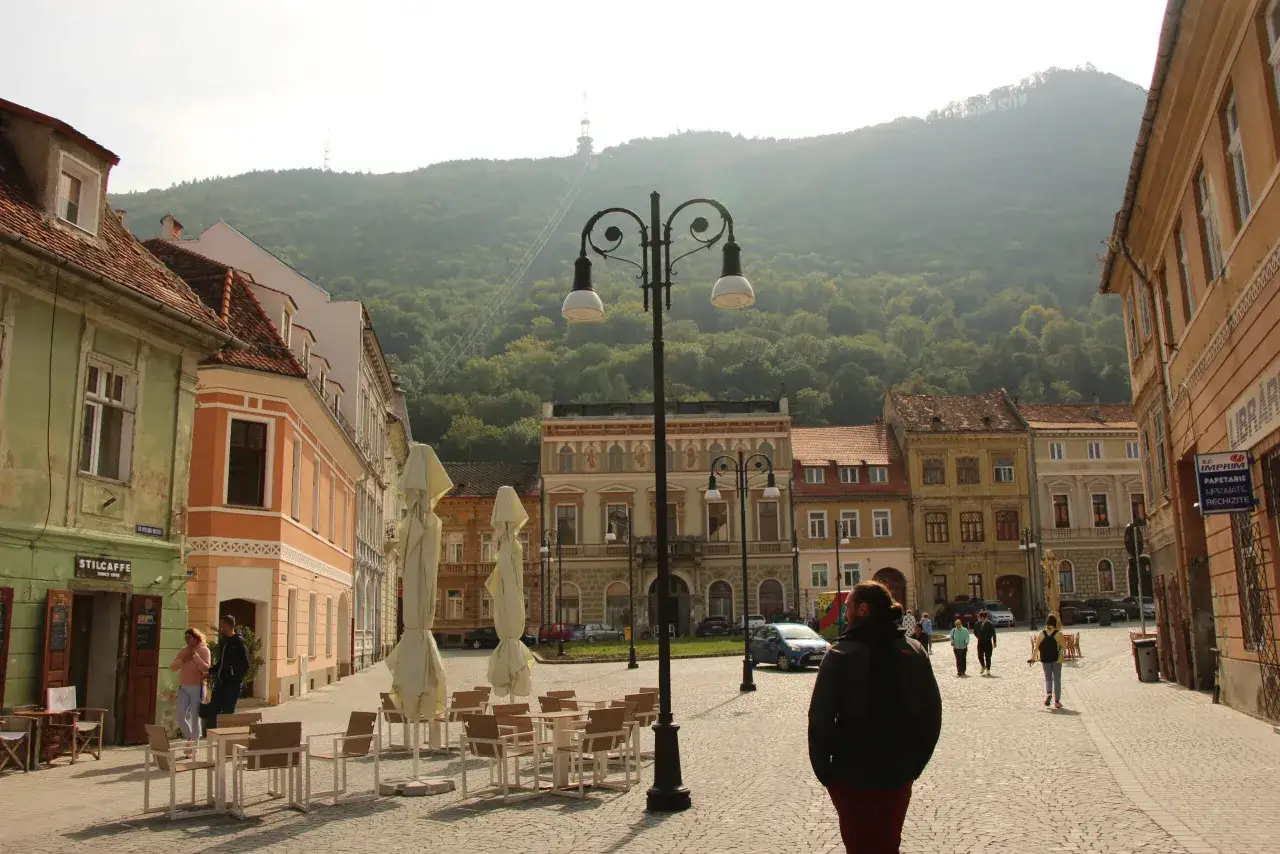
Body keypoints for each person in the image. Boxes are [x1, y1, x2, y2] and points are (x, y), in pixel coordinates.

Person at [808, 581, 942, 854]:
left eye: (848, 607)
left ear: (863, 608)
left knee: (858, 846)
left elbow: (819, 720)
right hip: (898, 771)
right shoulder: (914, 651)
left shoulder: (840, 655)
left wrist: (827, 775)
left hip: (851, 773)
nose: (845, 614)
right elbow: (932, 715)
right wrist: (913, 765)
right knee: (889, 844)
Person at [200, 615, 251, 735]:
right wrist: (211, 672)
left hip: (232, 684)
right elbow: (221, 662)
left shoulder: (239, 642)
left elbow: (245, 664)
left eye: (222, 624)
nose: (220, 627)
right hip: (221, 681)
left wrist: (235, 677)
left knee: (228, 710)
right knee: (214, 708)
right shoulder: (223, 641)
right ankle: (210, 734)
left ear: (227, 625)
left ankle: (226, 735)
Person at [169, 628, 210, 740]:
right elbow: (172, 667)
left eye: (189, 638)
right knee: (180, 716)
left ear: (196, 638)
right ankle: (190, 738)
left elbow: (206, 668)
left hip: (197, 687)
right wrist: (183, 660)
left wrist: (195, 656)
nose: (187, 640)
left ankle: (193, 747)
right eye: (185, 638)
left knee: (195, 717)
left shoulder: (204, 650)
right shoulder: (184, 651)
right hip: (184, 687)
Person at [1029, 613, 1066, 709]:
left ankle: (1049, 693)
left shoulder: (1041, 633)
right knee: (1057, 680)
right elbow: (1064, 647)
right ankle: (1057, 701)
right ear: (1055, 623)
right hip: (1057, 659)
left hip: (1045, 660)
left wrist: (1033, 658)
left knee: (1048, 678)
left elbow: (1036, 647)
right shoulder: (1058, 634)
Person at [973, 610, 997, 675]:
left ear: (983, 617)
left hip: (988, 643)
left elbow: (994, 634)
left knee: (988, 657)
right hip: (980, 643)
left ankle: (988, 669)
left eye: (979, 617)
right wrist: (978, 637)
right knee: (980, 656)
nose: (978, 618)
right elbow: (974, 632)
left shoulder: (990, 624)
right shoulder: (977, 624)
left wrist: (994, 642)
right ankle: (983, 666)